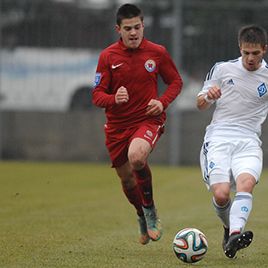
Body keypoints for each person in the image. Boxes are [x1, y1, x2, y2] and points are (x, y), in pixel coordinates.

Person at [92, 3, 183, 245]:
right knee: (127, 180)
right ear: (118, 29)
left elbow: (175, 82)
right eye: (128, 28)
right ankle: (141, 214)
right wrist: (114, 98)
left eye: (138, 27)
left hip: (147, 119)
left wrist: (162, 102)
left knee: (137, 157)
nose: (134, 33)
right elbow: (96, 95)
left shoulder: (157, 52)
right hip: (117, 127)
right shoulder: (108, 56)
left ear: (143, 26)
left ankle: (151, 210)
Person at [197, 24, 268, 258]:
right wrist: (209, 95)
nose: (249, 58)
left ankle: (236, 233)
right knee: (221, 194)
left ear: (264, 50)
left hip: (248, 141)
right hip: (219, 138)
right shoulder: (222, 69)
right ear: (240, 49)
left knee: (246, 184)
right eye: (246, 52)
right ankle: (229, 229)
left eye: (255, 53)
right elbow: (200, 104)